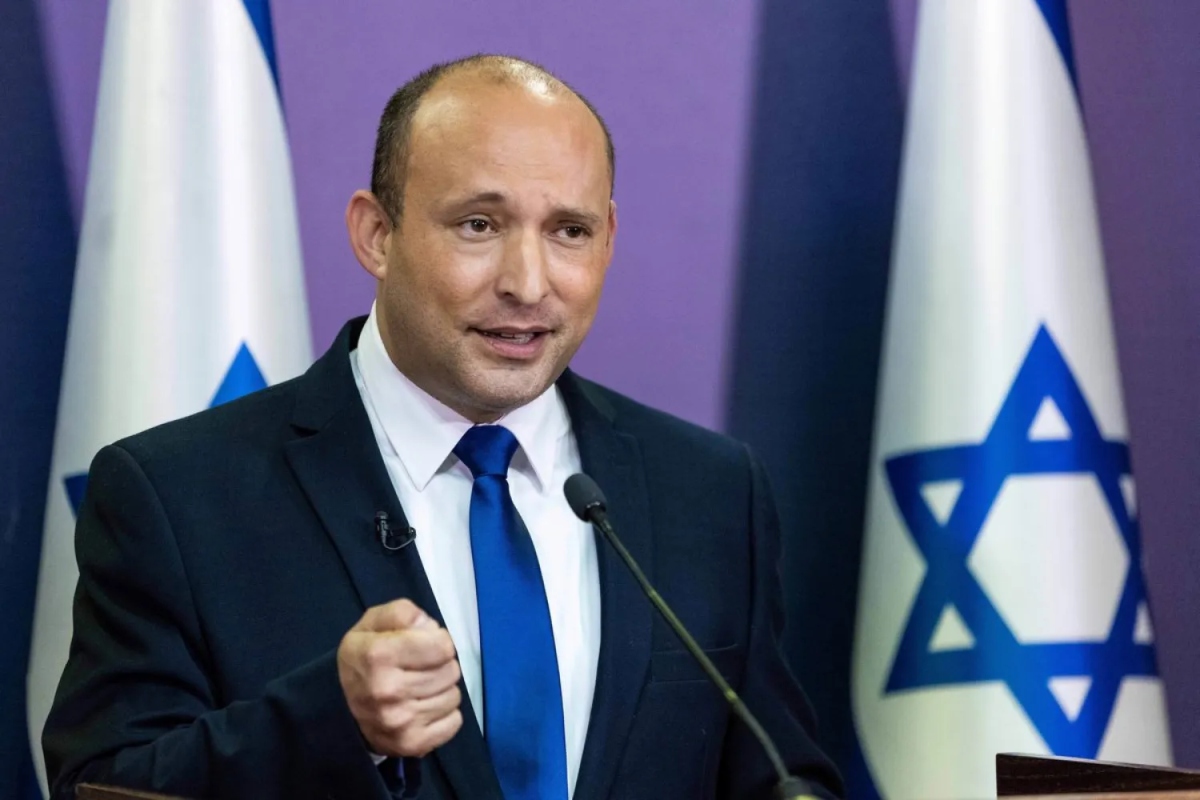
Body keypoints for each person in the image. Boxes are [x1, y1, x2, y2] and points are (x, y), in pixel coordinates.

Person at [43, 55, 843, 800]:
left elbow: (778, 777)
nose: (527, 284)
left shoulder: (708, 493)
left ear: (608, 239)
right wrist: (331, 721)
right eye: (479, 225)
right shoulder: (180, 497)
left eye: (569, 231)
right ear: (377, 235)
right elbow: (105, 784)